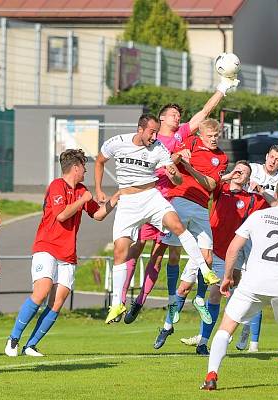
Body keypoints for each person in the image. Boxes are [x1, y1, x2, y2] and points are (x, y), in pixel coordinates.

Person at [122, 79, 240, 324]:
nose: (178, 118)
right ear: (162, 118)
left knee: (167, 252)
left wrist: (221, 88)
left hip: (172, 202)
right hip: (150, 200)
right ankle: (124, 299)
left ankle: (166, 302)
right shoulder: (153, 142)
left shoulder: (182, 136)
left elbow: (204, 114)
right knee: (139, 247)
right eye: (173, 114)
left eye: (179, 115)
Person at [201, 177, 278, 390]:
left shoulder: (258, 216)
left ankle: (211, 375)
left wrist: (227, 277)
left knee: (227, 327)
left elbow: (233, 249)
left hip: (252, 280)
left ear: (276, 194)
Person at [93, 114, 213, 325]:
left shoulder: (158, 148)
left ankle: (205, 270)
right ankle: (116, 304)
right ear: (140, 129)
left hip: (151, 197)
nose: (154, 136)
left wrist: (174, 173)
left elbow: (175, 180)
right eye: (151, 132)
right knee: (121, 250)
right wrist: (99, 189)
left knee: (177, 226)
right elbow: (100, 161)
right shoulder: (117, 143)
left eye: (157, 132)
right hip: (128, 202)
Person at [5, 149, 118, 357]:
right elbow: (61, 215)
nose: (85, 171)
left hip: (67, 254)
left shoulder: (82, 190)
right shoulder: (57, 186)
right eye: (84, 167)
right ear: (75, 167)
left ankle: (30, 345)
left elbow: (98, 214)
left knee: (58, 301)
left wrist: (118, 197)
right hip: (46, 247)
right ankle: (13, 338)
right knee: (42, 291)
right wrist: (83, 200)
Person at [151, 118, 228, 349]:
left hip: (201, 206)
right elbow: (169, 157)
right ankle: (167, 325)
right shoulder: (190, 143)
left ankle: (200, 299)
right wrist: (176, 158)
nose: (214, 139)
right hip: (180, 202)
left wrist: (191, 168)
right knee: (173, 256)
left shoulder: (221, 157)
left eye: (217, 135)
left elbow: (211, 185)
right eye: (210, 135)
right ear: (201, 134)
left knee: (208, 258)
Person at [180, 161, 269, 354]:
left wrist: (262, 190)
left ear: (248, 178)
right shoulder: (221, 188)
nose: (239, 173)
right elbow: (209, 184)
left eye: (244, 172)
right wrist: (228, 176)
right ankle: (167, 326)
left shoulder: (252, 200)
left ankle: (203, 342)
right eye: (238, 169)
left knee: (215, 295)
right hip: (206, 248)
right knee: (184, 288)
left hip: (225, 255)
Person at [236, 144, 278, 351]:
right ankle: (239, 324)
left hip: (263, 236)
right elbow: (233, 180)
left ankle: (252, 340)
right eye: (271, 157)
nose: (273, 162)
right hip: (241, 228)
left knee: (257, 284)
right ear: (266, 156)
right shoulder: (252, 169)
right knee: (237, 282)